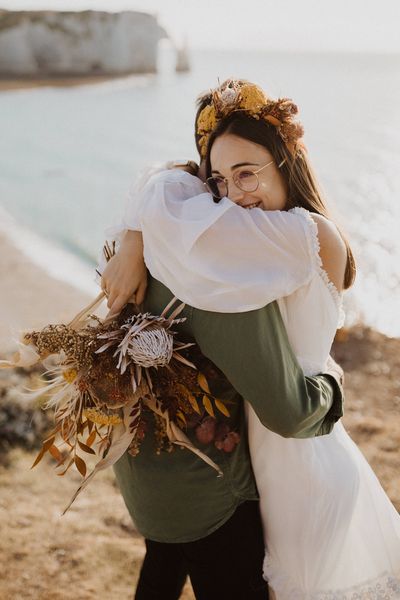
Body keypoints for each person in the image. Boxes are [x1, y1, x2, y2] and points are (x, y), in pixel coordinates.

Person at [101, 79, 400, 597]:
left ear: (286, 161)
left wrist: (139, 233)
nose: (234, 196)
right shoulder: (258, 228)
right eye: (220, 179)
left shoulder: (302, 233)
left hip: (301, 455)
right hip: (269, 452)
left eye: (247, 173)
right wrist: (137, 233)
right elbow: (172, 182)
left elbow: (168, 192)